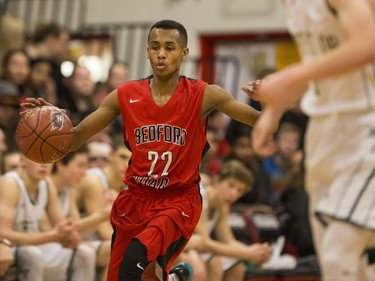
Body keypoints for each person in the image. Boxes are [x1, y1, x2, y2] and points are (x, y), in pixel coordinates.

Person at [23, 19, 262, 281]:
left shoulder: (204, 94)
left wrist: (268, 100)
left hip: (178, 201)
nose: (161, 53)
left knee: (132, 264)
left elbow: (258, 121)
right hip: (136, 199)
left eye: (170, 47)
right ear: (147, 51)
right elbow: (75, 139)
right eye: (155, 46)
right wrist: (51, 124)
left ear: (184, 53)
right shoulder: (124, 95)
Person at [243, 1, 375, 280]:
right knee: (344, 262)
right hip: (325, 129)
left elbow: (367, 44)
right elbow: (322, 62)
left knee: (339, 253)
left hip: (367, 125)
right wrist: (274, 110)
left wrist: (289, 75)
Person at [0, 155, 95, 281]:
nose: (44, 164)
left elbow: (63, 227)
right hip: (7, 246)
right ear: (22, 160)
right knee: (31, 254)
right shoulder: (11, 183)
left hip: (33, 245)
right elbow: (3, 233)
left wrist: (70, 235)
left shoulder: (47, 183)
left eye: (48, 159)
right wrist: (53, 236)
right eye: (38, 158)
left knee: (84, 253)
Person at [177, 160, 271, 281]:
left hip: (192, 248)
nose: (234, 194)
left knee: (238, 267)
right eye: (231, 185)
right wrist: (248, 254)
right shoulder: (199, 197)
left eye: (239, 190)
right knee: (215, 263)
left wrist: (256, 251)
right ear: (217, 180)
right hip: (177, 249)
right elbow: (205, 244)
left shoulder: (222, 206)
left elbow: (228, 241)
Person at [49, 146, 114, 281]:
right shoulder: (48, 185)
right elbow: (63, 229)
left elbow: (79, 230)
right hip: (48, 245)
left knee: (116, 250)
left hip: (63, 244)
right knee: (85, 253)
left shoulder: (68, 189)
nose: (85, 172)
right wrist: (101, 215)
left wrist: (102, 211)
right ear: (60, 165)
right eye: (80, 166)